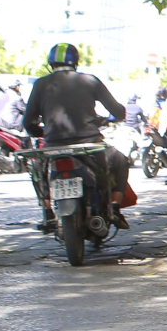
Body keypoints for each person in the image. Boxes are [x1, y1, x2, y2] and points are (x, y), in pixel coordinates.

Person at [24, 44, 135, 232]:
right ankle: (115, 208)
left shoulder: (40, 84)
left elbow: (28, 122)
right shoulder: (90, 81)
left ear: (51, 63)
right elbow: (118, 111)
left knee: (37, 170)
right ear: (75, 62)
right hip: (90, 145)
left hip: (53, 148)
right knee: (120, 161)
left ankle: (47, 212)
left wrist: (43, 133)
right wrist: (111, 118)